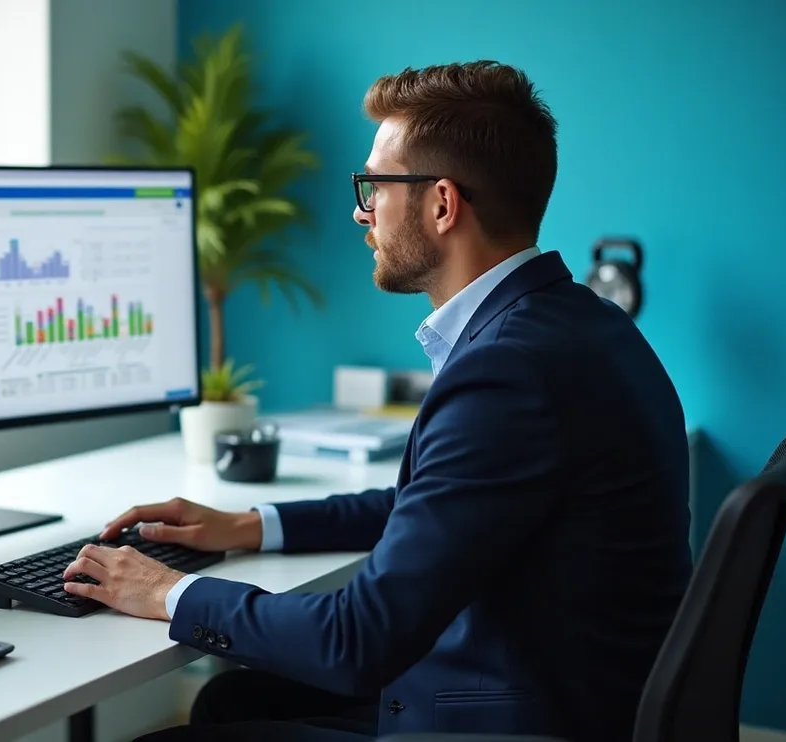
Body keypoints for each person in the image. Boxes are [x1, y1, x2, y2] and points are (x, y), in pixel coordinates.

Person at [60, 60, 692, 742]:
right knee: (234, 704)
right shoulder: (579, 322)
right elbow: (435, 505)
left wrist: (165, 592)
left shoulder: (507, 371)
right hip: (566, 691)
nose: (361, 210)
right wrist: (250, 525)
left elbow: (355, 641)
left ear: (442, 204)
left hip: (512, 717)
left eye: (374, 186)